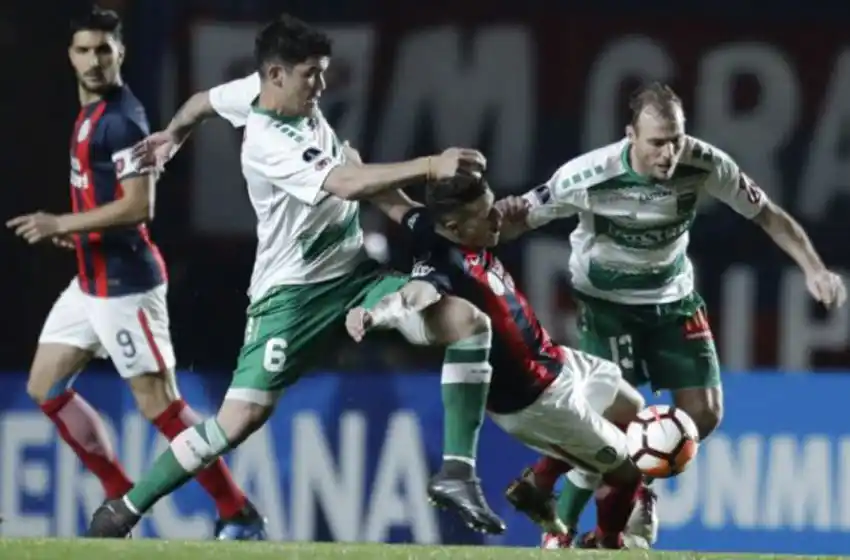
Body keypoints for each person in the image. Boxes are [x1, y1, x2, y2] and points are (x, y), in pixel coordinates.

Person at [87, 14, 505, 538]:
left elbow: (201, 102)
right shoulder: (267, 140)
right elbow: (346, 183)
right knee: (236, 422)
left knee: (469, 324)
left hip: (355, 279)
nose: (321, 86)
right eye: (312, 74)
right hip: (291, 299)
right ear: (277, 75)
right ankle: (126, 508)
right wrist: (429, 165)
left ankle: (457, 473)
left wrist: (173, 133)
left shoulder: (257, 91)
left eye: (322, 72)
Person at [495, 82, 848, 547]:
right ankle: (559, 532)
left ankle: (614, 488)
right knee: (608, 425)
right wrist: (498, 219)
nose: (669, 154)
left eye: (676, 140)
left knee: (704, 414)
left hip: (672, 300)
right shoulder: (587, 175)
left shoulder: (705, 163)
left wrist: (814, 268)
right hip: (608, 306)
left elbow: (768, 215)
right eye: (657, 142)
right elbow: (516, 220)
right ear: (630, 137)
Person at [5, 7, 266, 539]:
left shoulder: (122, 120)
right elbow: (105, 200)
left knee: (163, 408)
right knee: (45, 386)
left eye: (104, 49)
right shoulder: (90, 114)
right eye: (84, 50)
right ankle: (117, 495)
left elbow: (138, 206)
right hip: (90, 283)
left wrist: (63, 222)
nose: (94, 60)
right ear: (70, 56)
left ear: (120, 52)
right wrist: (78, 231)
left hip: (126, 288)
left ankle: (238, 513)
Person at [344, 175, 649, 549]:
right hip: (539, 402)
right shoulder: (444, 264)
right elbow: (411, 297)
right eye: (485, 214)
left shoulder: (433, 223)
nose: (496, 218)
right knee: (626, 473)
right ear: (456, 227)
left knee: (633, 410)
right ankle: (607, 544)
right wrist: (374, 315)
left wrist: (354, 168)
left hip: (555, 358)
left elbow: (392, 198)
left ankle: (539, 483)